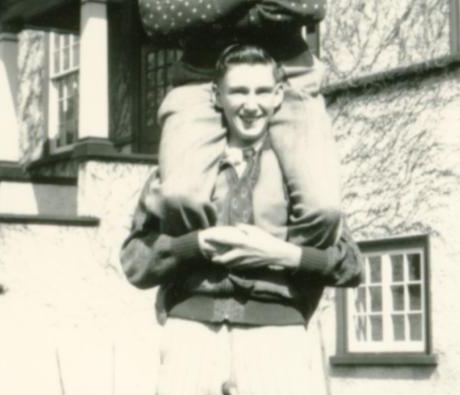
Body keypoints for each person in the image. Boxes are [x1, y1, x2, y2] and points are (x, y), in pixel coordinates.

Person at [120, 45, 361, 395]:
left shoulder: (300, 171)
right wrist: (195, 244)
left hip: (275, 339)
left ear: (278, 96)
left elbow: (349, 264)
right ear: (217, 97)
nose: (250, 103)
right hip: (191, 336)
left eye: (261, 91)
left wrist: (284, 255)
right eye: (238, 91)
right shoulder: (183, 170)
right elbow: (135, 260)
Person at [138, 0, 342, 250]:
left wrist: (209, 13)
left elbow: (308, 6)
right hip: (201, 79)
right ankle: (209, 275)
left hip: (289, 75)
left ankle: (277, 279)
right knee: (180, 195)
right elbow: (159, 17)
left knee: (323, 208)